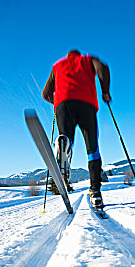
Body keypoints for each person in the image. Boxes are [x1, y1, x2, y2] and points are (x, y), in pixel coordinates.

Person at [42, 50, 111, 208]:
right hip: (86, 104)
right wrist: (105, 92)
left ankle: (63, 148)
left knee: (67, 139)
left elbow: (45, 94)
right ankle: (95, 192)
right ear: (79, 55)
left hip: (63, 104)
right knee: (92, 148)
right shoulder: (88, 60)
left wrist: (57, 101)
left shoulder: (58, 66)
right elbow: (103, 68)